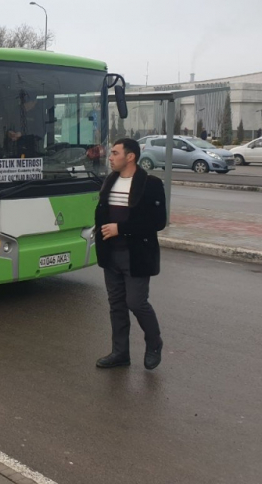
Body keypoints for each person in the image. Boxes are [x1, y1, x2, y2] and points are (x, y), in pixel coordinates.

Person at [94, 138, 166, 371]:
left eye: (115, 153)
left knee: (136, 302)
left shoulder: (151, 184)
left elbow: (157, 222)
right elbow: (103, 213)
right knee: (116, 304)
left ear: (131, 156)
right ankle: (120, 353)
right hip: (110, 253)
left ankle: (154, 343)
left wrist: (120, 228)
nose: (110, 157)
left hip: (136, 254)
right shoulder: (110, 180)